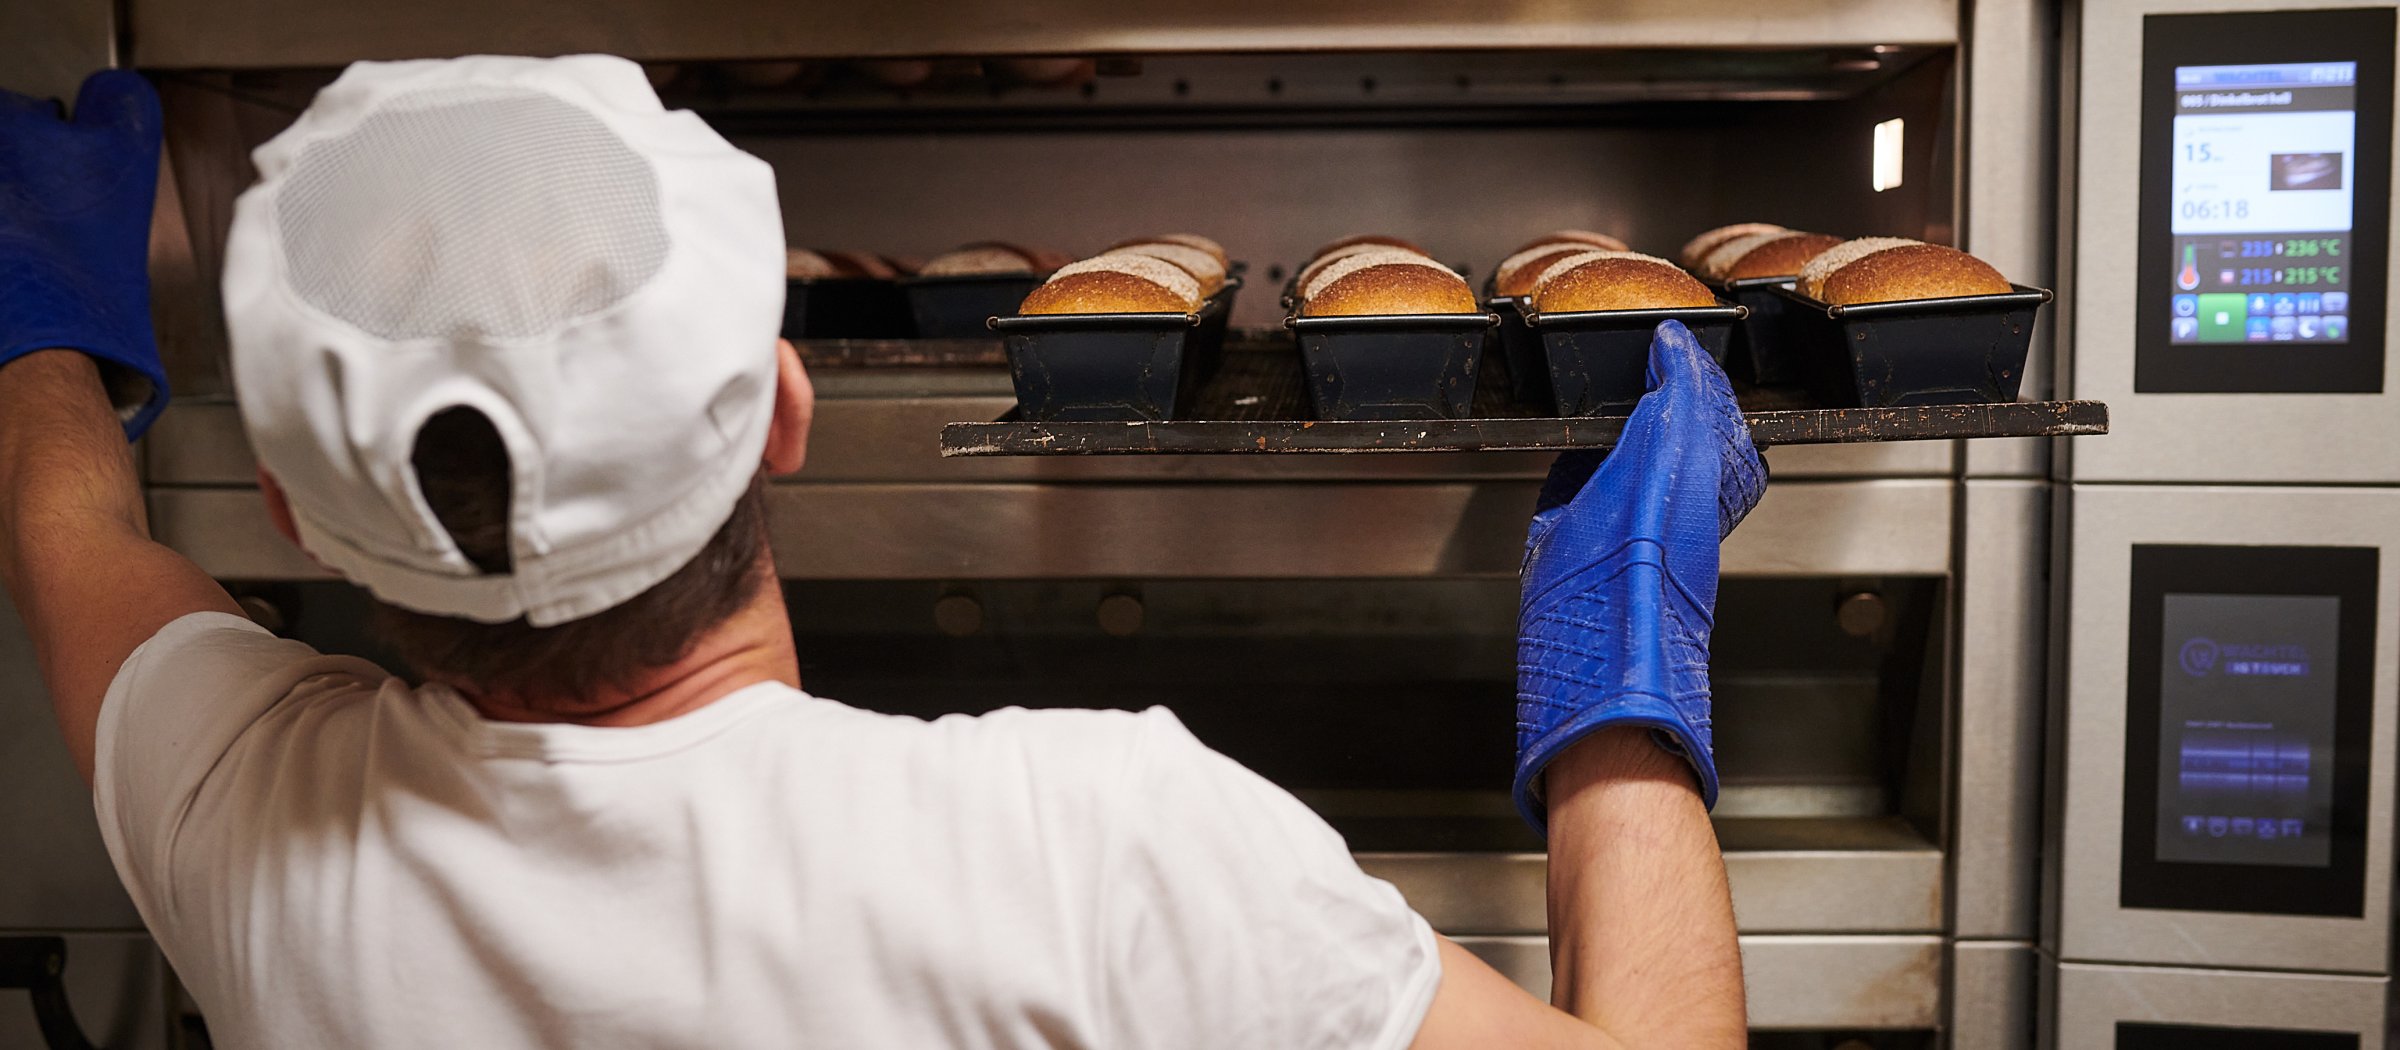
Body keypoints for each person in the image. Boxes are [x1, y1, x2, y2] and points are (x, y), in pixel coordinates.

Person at [0, 57, 1763, 1048]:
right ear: (784, 409)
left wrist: (44, 316)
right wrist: (1623, 660)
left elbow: (64, 522)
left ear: (301, 519)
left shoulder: (240, 821)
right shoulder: (1094, 847)